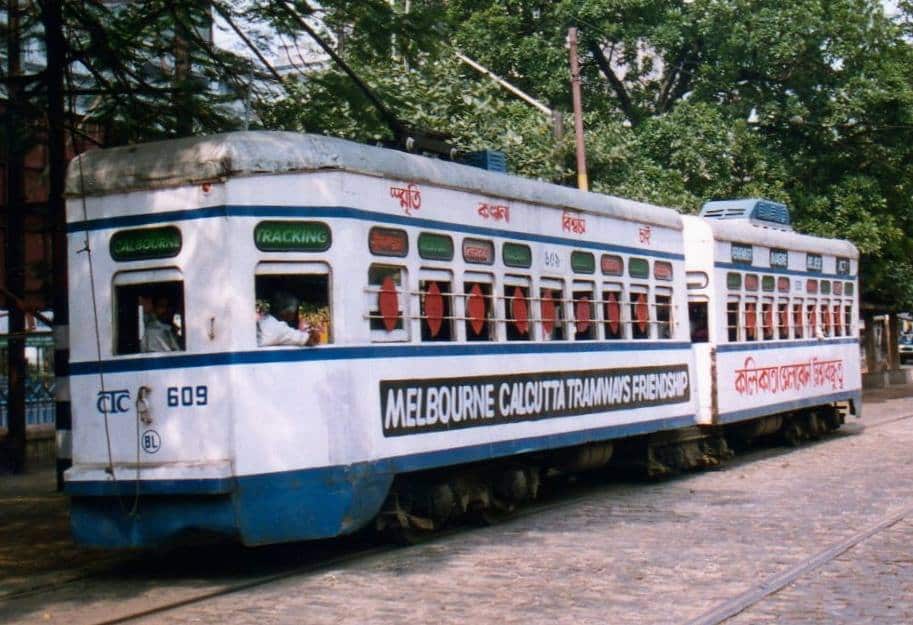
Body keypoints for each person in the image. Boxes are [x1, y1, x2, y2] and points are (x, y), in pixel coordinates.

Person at [257, 291, 322, 347]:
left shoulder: (265, 320)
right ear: (287, 312)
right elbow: (311, 340)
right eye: (294, 312)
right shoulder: (279, 329)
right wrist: (313, 333)